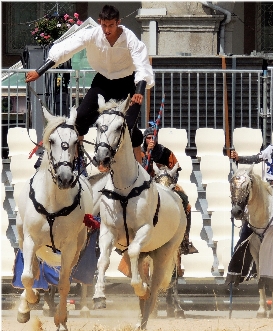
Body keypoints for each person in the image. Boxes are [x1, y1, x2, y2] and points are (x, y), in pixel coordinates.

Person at [25, 5, 154, 164]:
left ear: (118, 23)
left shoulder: (129, 38)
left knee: (128, 126)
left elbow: (141, 64)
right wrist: (39, 71)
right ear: (100, 22)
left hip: (127, 83)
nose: (107, 30)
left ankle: (137, 166)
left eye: (111, 25)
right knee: (80, 118)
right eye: (104, 25)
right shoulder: (92, 34)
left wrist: (139, 90)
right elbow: (66, 49)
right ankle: (78, 162)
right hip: (103, 82)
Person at [142, 125, 198, 255]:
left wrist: (168, 179)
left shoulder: (165, 152)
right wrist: (147, 155)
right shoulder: (138, 152)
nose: (151, 140)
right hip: (145, 185)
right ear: (145, 139)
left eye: (153, 138)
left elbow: (176, 171)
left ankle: (184, 241)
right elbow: (140, 170)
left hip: (166, 183)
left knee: (185, 202)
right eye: (149, 138)